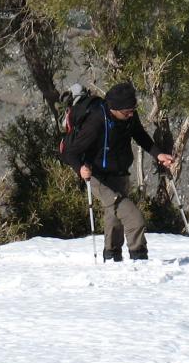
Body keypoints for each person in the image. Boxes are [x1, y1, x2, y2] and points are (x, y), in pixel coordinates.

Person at [60, 82, 175, 262]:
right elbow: (70, 152)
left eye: (133, 109)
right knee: (133, 218)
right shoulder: (96, 122)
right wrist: (79, 168)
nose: (131, 114)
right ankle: (139, 258)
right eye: (127, 111)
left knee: (114, 219)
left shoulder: (129, 117)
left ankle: (112, 258)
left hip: (120, 174)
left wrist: (158, 154)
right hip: (98, 177)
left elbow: (140, 135)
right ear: (114, 108)